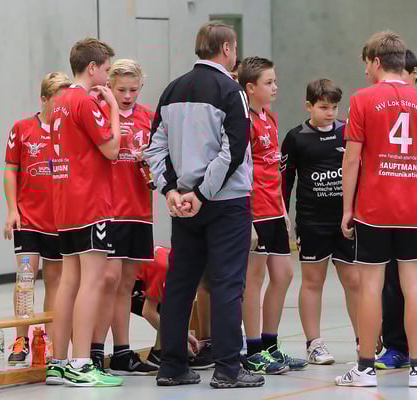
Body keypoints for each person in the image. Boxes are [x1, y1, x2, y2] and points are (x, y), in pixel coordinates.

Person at [143, 22, 264, 389]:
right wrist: (202, 193)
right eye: (235, 48)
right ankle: (228, 368)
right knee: (227, 283)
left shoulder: (172, 89)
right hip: (223, 202)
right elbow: (234, 149)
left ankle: (172, 365)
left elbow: (154, 147)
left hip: (183, 204)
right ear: (226, 49)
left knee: (180, 284)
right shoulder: (232, 91)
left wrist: (171, 190)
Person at [335, 30, 417, 388]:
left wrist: (347, 208)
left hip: (373, 210)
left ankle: (365, 369)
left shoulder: (362, 99)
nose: (365, 71)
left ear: (375, 62)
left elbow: (351, 160)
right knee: (414, 286)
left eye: (366, 64)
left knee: (370, 286)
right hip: (415, 210)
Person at [46, 37, 123, 387]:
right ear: (91, 68)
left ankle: (58, 362)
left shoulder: (60, 101)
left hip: (64, 202)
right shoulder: (84, 101)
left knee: (69, 282)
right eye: (106, 70)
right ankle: (80, 363)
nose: (108, 78)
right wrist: (113, 109)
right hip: (90, 202)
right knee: (91, 281)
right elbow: (112, 149)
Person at [281, 78, 359, 365]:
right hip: (312, 221)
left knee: (353, 280)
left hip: (344, 221)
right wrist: (284, 215)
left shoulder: (347, 132)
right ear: (309, 106)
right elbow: (285, 181)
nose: (330, 113)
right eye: (324, 107)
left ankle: (364, 340)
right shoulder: (296, 137)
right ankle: (314, 343)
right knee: (313, 281)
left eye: (334, 107)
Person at [238, 56, 308, 374]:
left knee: (284, 274)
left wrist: (282, 208)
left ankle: (270, 345)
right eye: (269, 82)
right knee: (254, 280)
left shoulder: (270, 118)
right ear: (251, 88)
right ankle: (253, 350)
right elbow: (242, 171)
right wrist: (249, 218)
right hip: (254, 211)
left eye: (275, 81)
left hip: (273, 209)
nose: (275, 87)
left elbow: (273, 169)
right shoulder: (244, 122)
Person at [89, 58, 157, 376]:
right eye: (121, 90)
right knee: (109, 280)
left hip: (139, 209)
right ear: (110, 87)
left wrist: (151, 162)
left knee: (128, 283)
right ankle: (94, 351)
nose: (128, 96)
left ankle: (122, 352)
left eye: (133, 89)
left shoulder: (149, 117)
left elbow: (161, 156)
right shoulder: (101, 113)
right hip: (109, 209)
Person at [3, 71, 70, 365]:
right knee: (26, 278)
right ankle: (21, 339)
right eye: (57, 100)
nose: (61, 106)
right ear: (44, 98)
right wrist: (12, 210)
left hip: (58, 221)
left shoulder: (69, 131)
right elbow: (10, 170)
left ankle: (50, 343)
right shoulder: (22, 128)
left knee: (55, 282)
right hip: (28, 219)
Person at [130, 246, 201, 367]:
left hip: (139, 281)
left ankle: (167, 349)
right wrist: (181, 339)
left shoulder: (177, 261)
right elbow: (148, 312)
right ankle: (160, 352)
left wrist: (184, 336)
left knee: (179, 302)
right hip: (121, 291)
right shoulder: (164, 268)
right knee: (172, 306)